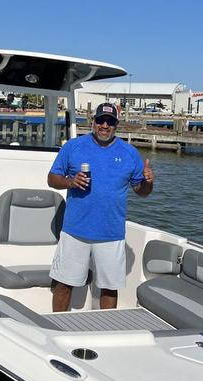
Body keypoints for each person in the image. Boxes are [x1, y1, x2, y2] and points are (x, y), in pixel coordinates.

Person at [47, 102, 154, 312]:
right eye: (101, 120)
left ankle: (106, 331)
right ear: (93, 122)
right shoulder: (73, 147)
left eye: (110, 122)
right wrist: (70, 182)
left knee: (109, 289)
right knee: (63, 284)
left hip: (111, 233)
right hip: (75, 230)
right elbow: (52, 179)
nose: (105, 125)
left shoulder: (130, 153)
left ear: (116, 125)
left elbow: (141, 192)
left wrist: (148, 182)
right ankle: (54, 328)